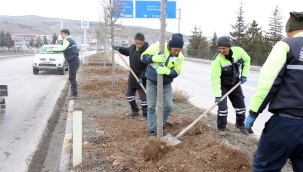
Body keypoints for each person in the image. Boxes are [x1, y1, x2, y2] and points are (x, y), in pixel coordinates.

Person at [245, 11, 303, 171]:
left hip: (285, 125)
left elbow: (268, 83)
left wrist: (254, 112)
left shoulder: (286, 45)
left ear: (290, 30)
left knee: (264, 167)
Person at [141, 33, 184, 136]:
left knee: (168, 106)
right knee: (151, 106)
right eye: (175, 50)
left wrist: (168, 71)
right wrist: (153, 58)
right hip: (152, 81)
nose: (177, 52)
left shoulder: (180, 57)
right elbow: (143, 57)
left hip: (166, 84)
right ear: (170, 46)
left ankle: (160, 127)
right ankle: (152, 130)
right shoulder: (157, 46)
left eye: (179, 50)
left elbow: (177, 72)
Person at [210, 36, 251, 136]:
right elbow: (215, 79)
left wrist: (244, 75)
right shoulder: (217, 60)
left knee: (241, 106)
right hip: (223, 86)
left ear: (229, 47)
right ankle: (221, 128)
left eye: (224, 48)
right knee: (223, 109)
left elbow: (247, 60)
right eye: (219, 48)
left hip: (235, 83)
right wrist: (217, 95)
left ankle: (240, 124)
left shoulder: (239, 51)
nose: (221, 50)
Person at [112, 33, 149, 118]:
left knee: (143, 99)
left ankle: (146, 114)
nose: (139, 45)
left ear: (144, 42)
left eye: (140, 43)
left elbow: (147, 67)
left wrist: (142, 78)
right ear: (134, 41)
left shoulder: (147, 51)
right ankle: (135, 110)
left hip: (143, 78)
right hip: (132, 77)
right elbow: (126, 51)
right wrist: (119, 48)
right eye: (137, 43)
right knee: (129, 96)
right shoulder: (132, 47)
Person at [49, 29, 80, 100]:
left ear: (66, 34)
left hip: (73, 61)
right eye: (61, 34)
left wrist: (51, 50)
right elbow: (63, 47)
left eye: (62, 34)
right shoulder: (69, 40)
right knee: (72, 77)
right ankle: (73, 93)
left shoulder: (67, 40)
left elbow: (63, 48)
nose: (61, 35)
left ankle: (74, 94)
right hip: (74, 60)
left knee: (72, 77)